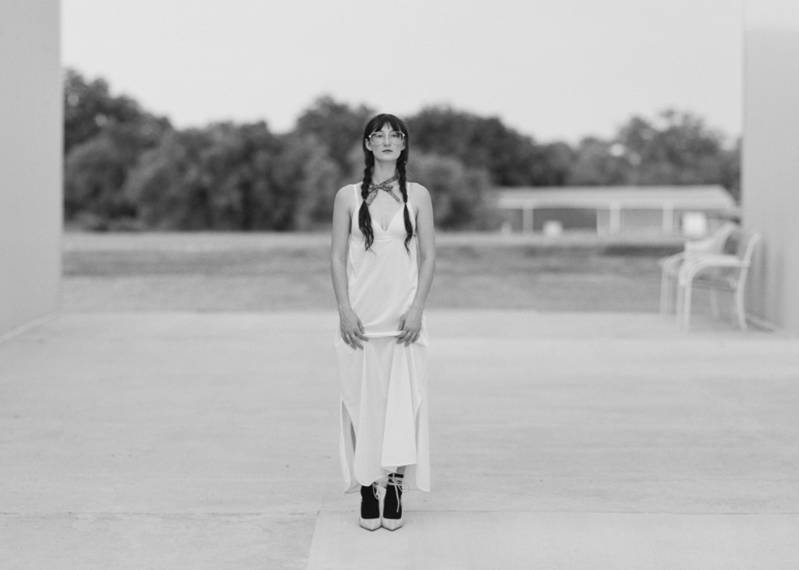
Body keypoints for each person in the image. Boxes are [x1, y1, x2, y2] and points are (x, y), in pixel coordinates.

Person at [329, 113, 436, 531]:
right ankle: (367, 486)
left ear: (404, 144)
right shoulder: (347, 197)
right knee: (360, 405)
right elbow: (337, 256)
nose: (388, 140)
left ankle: (394, 485)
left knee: (402, 405)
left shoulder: (420, 196)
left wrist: (417, 309)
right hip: (360, 319)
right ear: (368, 144)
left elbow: (428, 256)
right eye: (380, 135)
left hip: (403, 319)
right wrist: (344, 310)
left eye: (396, 134)